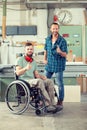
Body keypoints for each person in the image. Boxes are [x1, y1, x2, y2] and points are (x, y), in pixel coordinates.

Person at [15, 42, 62, 113]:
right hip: (25, 81)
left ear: (33, 50)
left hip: (33, 80)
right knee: (39, 81)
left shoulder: (33, 61)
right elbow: (17, 73)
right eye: (28, 49)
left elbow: (36, 74)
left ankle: (53, 104)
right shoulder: (20, 59)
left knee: (49, 81)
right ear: (25, 50)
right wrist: (25, 68)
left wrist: (41, 76)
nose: (30, 50)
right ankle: (47, 105)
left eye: (31, 49)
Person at [44, 22, 68, 107]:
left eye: (56, 28)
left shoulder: (62, 41)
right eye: (53, 28)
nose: (55, 30)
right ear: (51, 29)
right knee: (44, 82)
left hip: (58, 65)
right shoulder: (47, 39)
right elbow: (45, 50)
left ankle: (60, 100)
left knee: (59, 83)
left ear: (58, 29)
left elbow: (65, 54)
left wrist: (60, 52)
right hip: (49, 64)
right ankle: (45, 100)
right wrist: (44, 59)